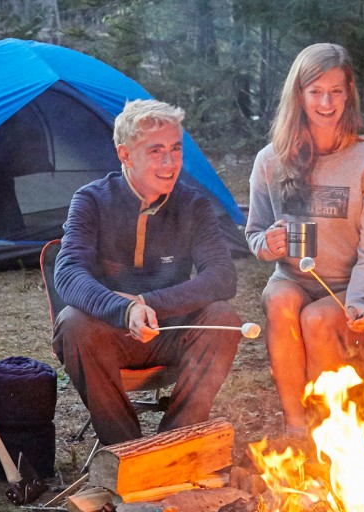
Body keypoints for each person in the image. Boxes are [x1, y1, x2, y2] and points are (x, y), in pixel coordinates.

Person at [51, 99, 242, 446]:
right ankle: (125, 450)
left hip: (172, 332)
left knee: (223, 318)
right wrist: (123, 310)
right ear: (125, 155)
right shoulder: (92, 200)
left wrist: (147, 302)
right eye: (156, 151)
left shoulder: (192, 205)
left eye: (175, 149)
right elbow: (67, 273)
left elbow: (222, 276)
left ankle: (173, 444)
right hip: (108, 334)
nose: (170, 163)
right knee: (73, 322)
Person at [245, 43, 364, 439]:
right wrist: (268, 244)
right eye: (316, 91)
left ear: (349, 93)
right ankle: (297, 429)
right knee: (281, 301)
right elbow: (254, 233)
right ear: (299, 94)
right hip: (293, 278)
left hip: (354, 288)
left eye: (336, 91)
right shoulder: (271, 159)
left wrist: (361, 299)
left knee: (315, 319)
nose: (326, 102)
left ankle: (333, 435)